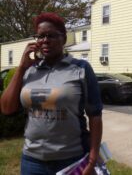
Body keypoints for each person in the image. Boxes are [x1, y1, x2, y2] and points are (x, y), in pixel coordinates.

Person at [0, 13, 103, 175]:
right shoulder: (29, 71)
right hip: (32, 160)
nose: (45, 40)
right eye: (40, 36)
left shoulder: (81, 69)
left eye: (51, 35)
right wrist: (21, 67)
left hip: (71, 158)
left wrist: (93, 158)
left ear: (63, 39)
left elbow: (95, 115)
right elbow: (6, 108)